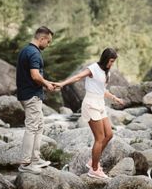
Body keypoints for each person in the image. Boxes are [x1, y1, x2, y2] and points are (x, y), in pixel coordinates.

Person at [55, 48, 124, 179]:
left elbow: (102, 90)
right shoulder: (93, 68)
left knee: (109, 135)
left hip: (100, 104)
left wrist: (115, 98)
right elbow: (78, 76)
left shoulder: (106, 72)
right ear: (105, 59)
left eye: (113, 61)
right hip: (91, 104)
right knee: (99, 138)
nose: (112, 64)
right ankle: (94, 169)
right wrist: (62, 84)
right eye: (111, 61)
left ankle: (93, 161)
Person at [16, 26, 56, 174]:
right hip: (31, 96)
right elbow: (34, 75)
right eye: (48, 41)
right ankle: (25, 164)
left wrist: (46, 83)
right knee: (32, 127)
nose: (48, 44)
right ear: (42, 38)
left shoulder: (25, 50)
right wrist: (46, 83)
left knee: (39, 125)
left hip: (29, 94)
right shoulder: (34, 53)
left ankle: (35, 158)